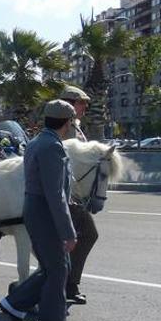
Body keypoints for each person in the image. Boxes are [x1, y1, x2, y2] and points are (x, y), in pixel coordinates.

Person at [0, 100, 80, 321]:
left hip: (36, 210)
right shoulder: (51, 147)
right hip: (46, 213)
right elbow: (55, 194)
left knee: (52, 267)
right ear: (67, 123)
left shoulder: (37, 142)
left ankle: (15, 303)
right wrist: (68, 231)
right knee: (58, 273)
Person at [59, 85, 96, 305]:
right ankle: (66, 283)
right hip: (68, 195)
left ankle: (68, 283)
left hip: (76, 195)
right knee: (85, 236)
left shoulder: (76, 127)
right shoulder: (67, 129)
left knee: (83, 237)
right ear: (71, 104)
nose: (85, 106)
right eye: (82, 102)